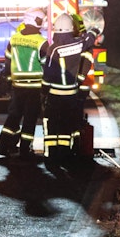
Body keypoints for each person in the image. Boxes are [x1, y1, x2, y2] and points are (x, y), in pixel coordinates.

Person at [41, 13, 101, 163]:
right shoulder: (77, 45)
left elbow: (48, 74)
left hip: (55, 93)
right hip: (71, 93)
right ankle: (65, 154)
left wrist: (43, 91)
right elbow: (88, 40)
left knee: (52, 124)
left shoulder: (53, 49)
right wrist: (94, 29)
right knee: (66, 124)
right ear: (71, 28)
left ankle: (51, 155)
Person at [0, 8, 49, 159]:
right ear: (35, 20)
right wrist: (46, 88)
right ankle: (25, 150)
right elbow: (47, 66)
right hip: (34, 87)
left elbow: (7, 62)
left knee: (13, 116)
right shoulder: (42, 43)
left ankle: (3, 146)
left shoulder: (13, 39)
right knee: (30, 119)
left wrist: (7, 81)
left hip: (17, 86)